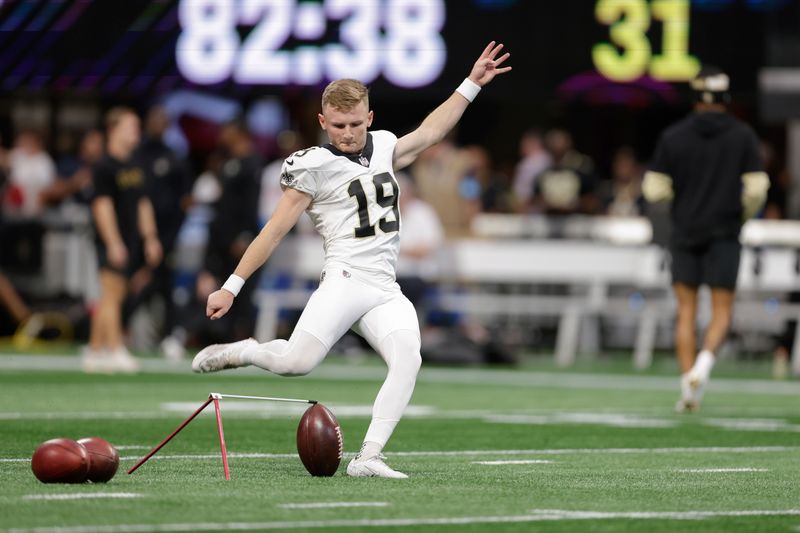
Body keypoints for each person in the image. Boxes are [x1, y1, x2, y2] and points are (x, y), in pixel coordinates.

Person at [191, 41, 511, 478]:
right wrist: (232, 285)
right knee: (295, 364)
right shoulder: (313, 165)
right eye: (338, 125)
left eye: (356, 124)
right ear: (322, 122)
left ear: (370, 118)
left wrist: (471, 84)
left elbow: (431, 131)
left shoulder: (382, 146)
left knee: (408, 359)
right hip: (344, 279)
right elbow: (274, 230)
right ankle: (247, 351)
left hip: (384, 285)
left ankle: (368, 457)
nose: (347, 133)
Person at [642, 66, 770, 412]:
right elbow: (757, 189)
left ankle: (688, 389)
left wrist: (677, 212)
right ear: (725, 97)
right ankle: (704, 365)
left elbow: (654, 189)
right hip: (725, 232)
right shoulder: (742, 135)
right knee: (722, 311)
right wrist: (739, 215)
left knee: (685, 312)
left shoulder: (674, 135)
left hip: (685, 231)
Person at [84, 107, 162, 374]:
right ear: (113, 130)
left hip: (129, 238)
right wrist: (113, 242)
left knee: (113, 293)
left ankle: (95, 351)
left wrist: (150, 238)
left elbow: (142, 204)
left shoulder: (134, 165)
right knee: (112, 293)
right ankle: (115, 348)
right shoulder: (104, 166)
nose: (136, 133)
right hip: (111, 238)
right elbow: (101, 206)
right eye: (131, 127)